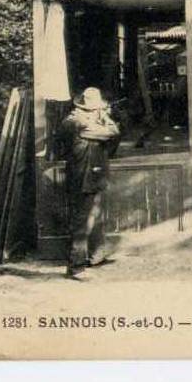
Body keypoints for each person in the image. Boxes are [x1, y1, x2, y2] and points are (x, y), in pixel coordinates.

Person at [58, 87, 121, 279]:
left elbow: (113, 133)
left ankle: (96, 256)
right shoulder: (76, 122)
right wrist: (105, 118)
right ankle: (75, 267)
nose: (97, 111)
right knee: (81, 223)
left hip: (93, 176)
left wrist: (103, 116)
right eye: (94, 109)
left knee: (95, 216)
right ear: (85, 109)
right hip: (82, 178)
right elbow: (112, 132)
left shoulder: (87, 119)